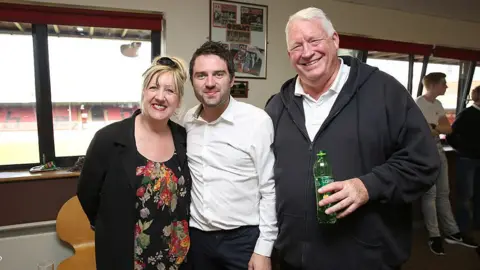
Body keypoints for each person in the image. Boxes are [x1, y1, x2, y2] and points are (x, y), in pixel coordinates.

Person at [265, 7, 440, 270]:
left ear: (334, 40)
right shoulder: (277, 107)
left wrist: (367, 186)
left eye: (314, 40)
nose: (307, 52)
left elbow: (423, 162)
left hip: (365, 259)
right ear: (290, 55)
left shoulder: (384, 92)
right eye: (297, 46)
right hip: (294, 259)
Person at [77, 56, 192, 270]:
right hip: (125, 258)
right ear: (143, 92)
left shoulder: (185, 138)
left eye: (170, 90)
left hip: (176, 259)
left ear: (178, 100)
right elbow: (87, 194)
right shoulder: (108, 139)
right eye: (154, 88)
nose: (160, 97)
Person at [183, 41, 277, 270]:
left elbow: (269, 187)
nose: (210, 83)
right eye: (201, 75)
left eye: (218, 74)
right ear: (192, 82)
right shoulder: (187, 121)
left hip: (243, 241)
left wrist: (264, 249)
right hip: (198, 240)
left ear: (232, 79)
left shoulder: (257, 121)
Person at [415, 72, 478, 255]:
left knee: (444, 193)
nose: (446, 87)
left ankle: (452, 232)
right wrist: (435, 128)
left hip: (439, 152)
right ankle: (434, 236)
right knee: (430, 195)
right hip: (425, 154)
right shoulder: (419, 104)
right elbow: (422, 131)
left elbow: (447, 129)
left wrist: (432, 127)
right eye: (444, 84)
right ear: (434, 85)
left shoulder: (438, 104)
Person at [447, 85, 480, 234]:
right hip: (467, 159)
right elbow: (450, 135)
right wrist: (463, 149)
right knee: (465, 196)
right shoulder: (466, 114)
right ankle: (464, 228)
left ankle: (477, 225)